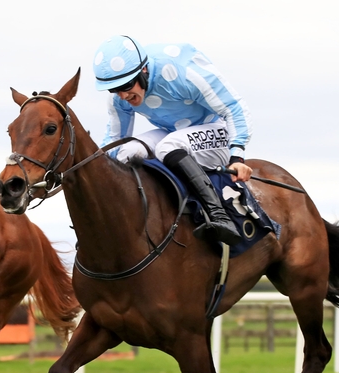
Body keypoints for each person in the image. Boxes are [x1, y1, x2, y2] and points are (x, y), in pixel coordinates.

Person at [92, 35, 254, 246]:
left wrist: (237, 156)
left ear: (143, 71)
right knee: (126, 153)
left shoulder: (182, 72)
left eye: (127, 86)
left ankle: (220, 216)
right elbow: (115, 140)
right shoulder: (119, 99)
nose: (122, 95)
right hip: (173, 134)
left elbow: (234, 108)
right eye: (115, 89)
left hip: (217, 131)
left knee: (168, 146)